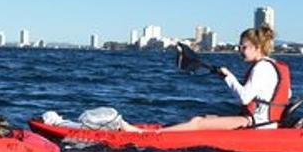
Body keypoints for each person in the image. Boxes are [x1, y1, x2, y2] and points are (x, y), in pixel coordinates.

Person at [120, 24, 291, 132]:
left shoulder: (261, 68)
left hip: (257, 125)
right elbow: (286, 94)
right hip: (267, 123)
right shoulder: (275, 65)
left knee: (198, 122)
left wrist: (229, 77)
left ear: (257, 47)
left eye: (243, 47)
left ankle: (147, 135)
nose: (240, 50)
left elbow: (245, 98)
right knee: (209, 118)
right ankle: (162, 130)